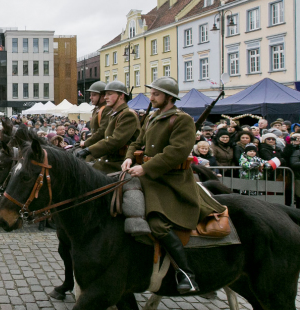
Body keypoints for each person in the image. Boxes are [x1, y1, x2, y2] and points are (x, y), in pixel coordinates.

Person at [123, 77, 225, 294]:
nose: (151, 97)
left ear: (169, 97)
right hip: (149, 178)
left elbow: (176, 152)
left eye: (156, 94)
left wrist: (146, 168)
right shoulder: (152, 117)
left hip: (172, 182)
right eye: (152, 93)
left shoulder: (182, 120)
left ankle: (186, 273)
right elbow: (137, 142)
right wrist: (129, 158)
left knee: (157, 224)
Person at [78, 81, 139, 173]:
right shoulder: (115, 114)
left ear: (121, 96)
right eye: (105, 94)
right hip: (107, 160)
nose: (105, 97)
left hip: (119, 163)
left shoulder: (127, 115)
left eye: (109, 94)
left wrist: (88, 150)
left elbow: (115, 141)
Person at [79, 81, 111, 163]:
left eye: (94, 95)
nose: (91, 97)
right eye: (90, 95)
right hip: (94, 146)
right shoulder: (97, 109)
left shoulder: (106, 109)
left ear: (102, 96)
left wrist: (86, 142)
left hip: (101, 149)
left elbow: (102, 131)